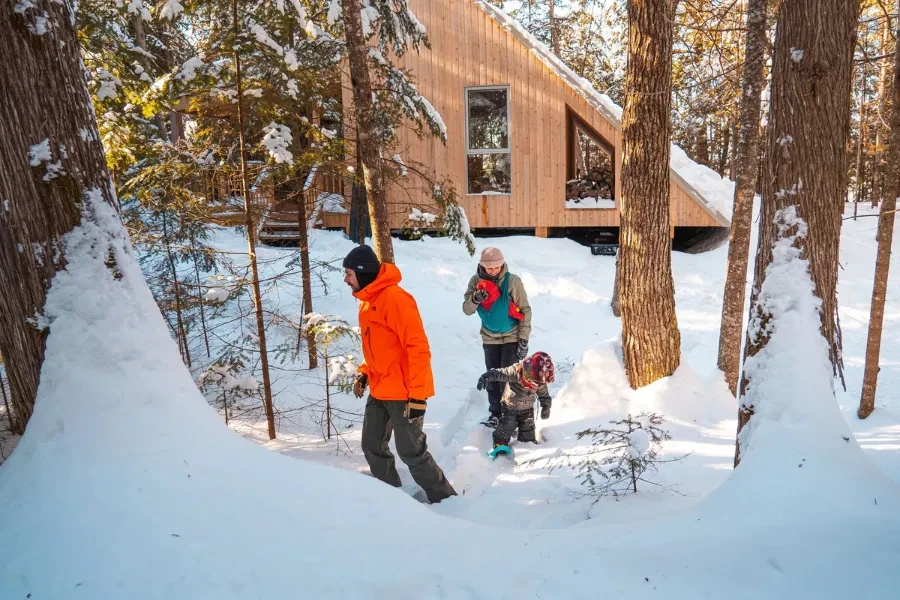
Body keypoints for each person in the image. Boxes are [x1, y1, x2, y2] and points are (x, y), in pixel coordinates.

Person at [343, 245, 457, 504]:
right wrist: (365, 372)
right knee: (372, 445)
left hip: (404, 393)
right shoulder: (367, 300)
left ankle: (447, 501)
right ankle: (391, 501)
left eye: (349, 273)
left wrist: (417, 396)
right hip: (381, 386)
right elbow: (378, 347)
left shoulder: (395, 299)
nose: (346, 279)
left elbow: (417, 348)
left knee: (411, 452)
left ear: (363, 272)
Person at [462, 247, 532, 427]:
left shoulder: (512, 282)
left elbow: (525, 309)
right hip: (489, 338)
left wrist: (523, 339)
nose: (493, 271)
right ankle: (495, 413)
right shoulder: (475, 281)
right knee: (492, 377)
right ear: (481, 266)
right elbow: (466, 310)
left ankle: (510, 415)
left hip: (511, 337)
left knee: (509, 379)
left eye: (497, 267)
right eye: (489, 268)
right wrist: (475, 299)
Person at [476, 351, 554, 450]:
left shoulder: (540, 380)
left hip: (528, 409)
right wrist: (486, 377)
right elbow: (499, 373)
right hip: (510, 407)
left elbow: (544, 394)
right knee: (507, 426)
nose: (535, 385)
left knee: (528, 429)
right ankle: (500, 442)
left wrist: (546, 405)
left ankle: (527, 446)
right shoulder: (516, 372)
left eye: (538, 383)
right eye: (533, 382)